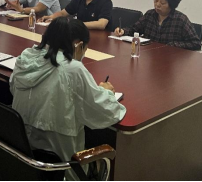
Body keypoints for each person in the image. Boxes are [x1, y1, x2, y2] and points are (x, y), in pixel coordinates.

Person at [11, 18, 126, 181]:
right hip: (62, 168)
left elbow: (12, 87)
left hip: (23, 158)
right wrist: (106, 93)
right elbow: (105, 112)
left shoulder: (26, 57)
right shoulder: (72, 69)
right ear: (79, 45)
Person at [114, 0, 202, 51]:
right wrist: (123, 31)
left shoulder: (180, 20)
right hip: (149, 56)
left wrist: (173, 45)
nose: (157, 5)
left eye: (162, 3)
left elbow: (196, 43)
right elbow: (134, 29)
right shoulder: (150, 14)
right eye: (156, 0)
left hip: (170, 59)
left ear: (172, 5)